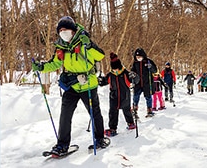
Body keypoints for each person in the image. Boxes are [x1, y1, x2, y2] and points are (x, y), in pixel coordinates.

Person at [32, 16, 109, 156]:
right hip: (72, 85)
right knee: (65, 115)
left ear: (73, 30)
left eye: (65, 29)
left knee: (94, 113)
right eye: (60, 30)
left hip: (88, 85)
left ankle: (100, 139)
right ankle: (62, 144)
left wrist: (89, 45)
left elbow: (100, 56)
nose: (63, 32)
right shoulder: (61, 46)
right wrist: (41, 67)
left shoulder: (84, 41)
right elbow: (55, 63)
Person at [100, 52, 136, 137]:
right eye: (114, 69)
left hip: (125, 96)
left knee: (127, 110)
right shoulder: (110, 75)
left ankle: (131, 123)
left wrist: (134, 77)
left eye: (117, 69)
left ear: (119, 67)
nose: (116, 70)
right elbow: (104, 82)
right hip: (114, 96)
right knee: (112, 112)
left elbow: (135, 80)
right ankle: (112, 128)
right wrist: (100, 81)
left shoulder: (125, 73)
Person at [130, 47, 158, 118]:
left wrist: (151, 67)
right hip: (138, 83)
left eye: (140, 57)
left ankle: (149, 110)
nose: (138, 58)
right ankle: (134, 109)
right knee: (136, 96)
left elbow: (155, 71)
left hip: (147, 83)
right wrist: (132, 74)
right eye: (137, 57)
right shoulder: (135, 63)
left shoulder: (148, 61)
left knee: (148, 97)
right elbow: (132, 70)